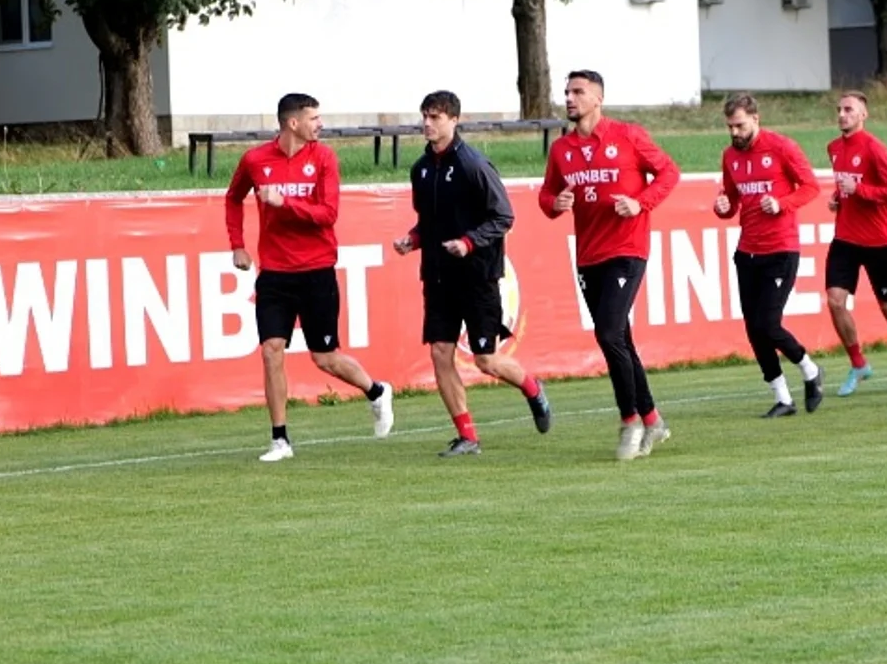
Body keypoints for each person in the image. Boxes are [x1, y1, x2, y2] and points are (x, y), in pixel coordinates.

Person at [226, 92, 393, 462]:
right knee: (272, 351)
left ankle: (377, 392)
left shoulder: (324, 159)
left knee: (326, 358)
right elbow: (233, 197)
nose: (320, 124)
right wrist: (237, 244)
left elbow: (328, 214)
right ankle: (280, 440)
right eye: (314, 118)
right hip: (274, 274)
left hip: (317, 270)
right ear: (293, 123)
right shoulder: (255, 160)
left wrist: (285, 203)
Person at [393, 90, 553, 458]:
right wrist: (412, 240)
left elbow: (503, 217)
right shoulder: (420, 169)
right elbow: (428, 223)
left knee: (486, 361)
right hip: (436, 277)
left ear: (454, 120)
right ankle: (468, 436)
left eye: (436, 117)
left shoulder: (473, 165)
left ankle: (531, 387)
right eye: (425, 117)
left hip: (477, 278)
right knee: (439, 352)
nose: (428, 124)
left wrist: (468, 242)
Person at [539, 70, 681, 461]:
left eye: (578, 91)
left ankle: (630, 420)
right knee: (619, 338)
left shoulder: (628, 135)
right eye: (567, 91)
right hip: (588, 255)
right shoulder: (562, 149)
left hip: (627, 248)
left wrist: (641, 203)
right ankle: (654, 420)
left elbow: (669, 172)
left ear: (597, 98)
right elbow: (547, 194)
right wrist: (556, 204)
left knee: (607, 333)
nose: (569, 98)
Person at [715, 95, 826, 416]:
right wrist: (723, 208)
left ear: (755, 119)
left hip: (781, 249)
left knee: (768, 323)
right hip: (747, 251)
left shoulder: (781, 147)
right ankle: (783, 398)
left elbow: (810, 186)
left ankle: (810, 370)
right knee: (753, 328)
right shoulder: (730, 156)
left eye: (740, 125)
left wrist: (782, 203)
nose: (735, 133)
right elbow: (732, 200)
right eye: (730, 127)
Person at [825, 91, 887, 394]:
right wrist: (839, 196)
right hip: (845, 239)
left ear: (863, 115)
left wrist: (860, 189)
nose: (842, 114)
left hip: (877, 241)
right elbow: (846, 186)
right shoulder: (834, 148)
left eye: (849, 109)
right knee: (835, 301)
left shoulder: (875, 148)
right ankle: (858, 363)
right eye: (839, 109)